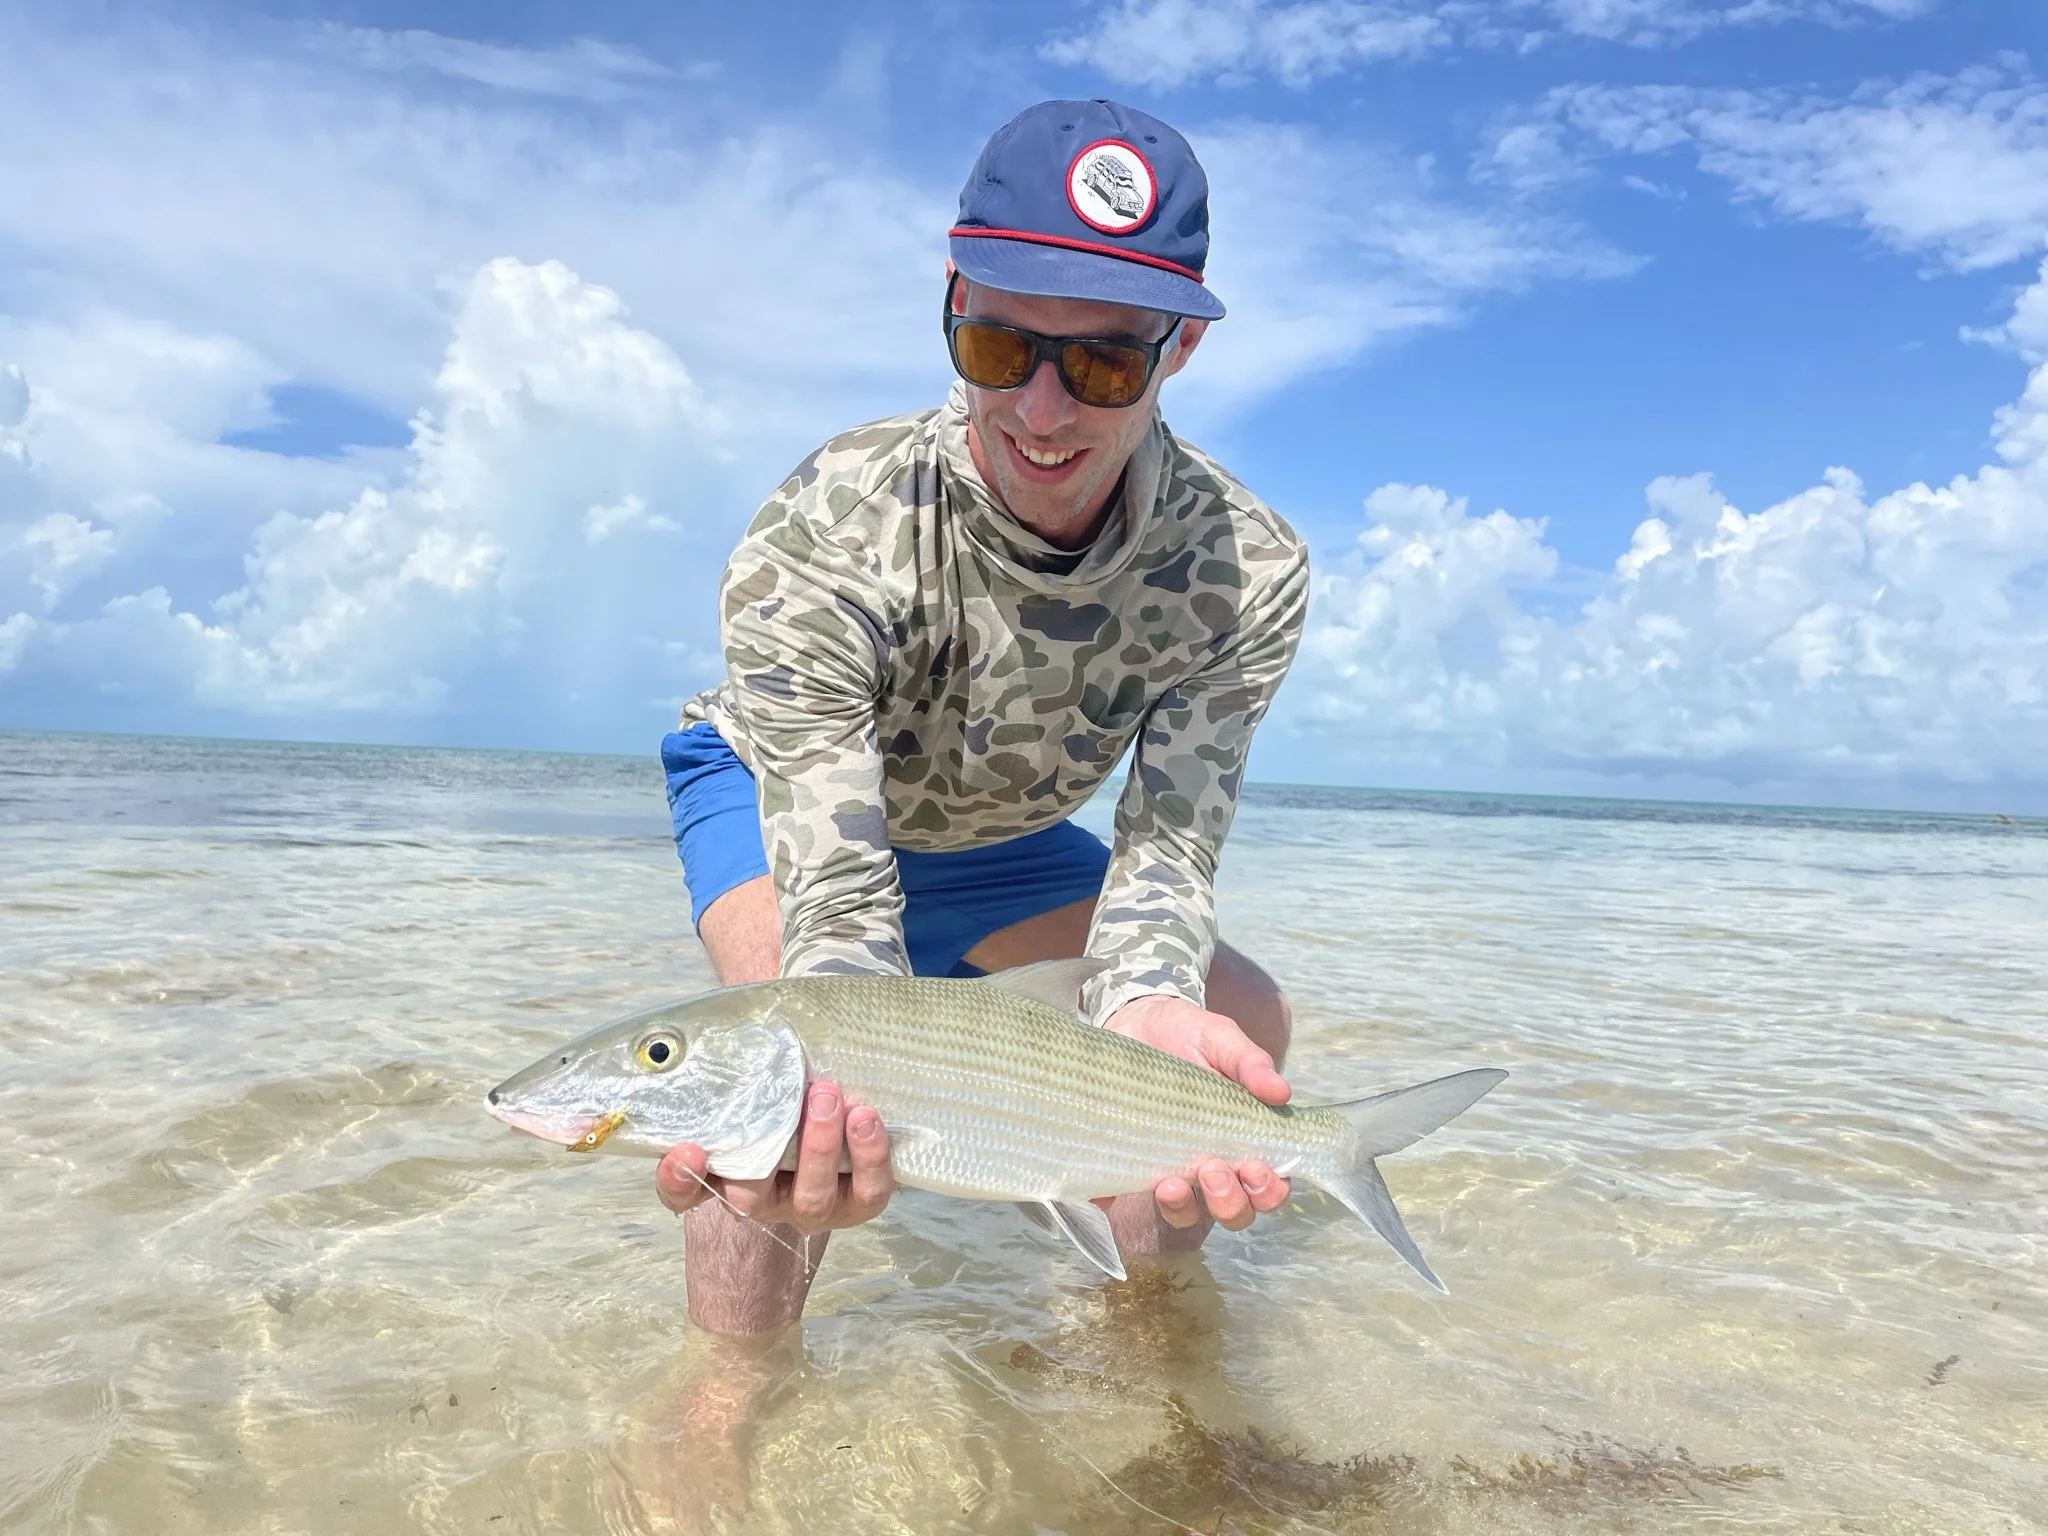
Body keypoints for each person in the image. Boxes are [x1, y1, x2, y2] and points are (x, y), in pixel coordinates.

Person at [655, 97, 1310, 1337]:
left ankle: (1126, 1342)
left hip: (998, 831)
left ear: (1177, 352)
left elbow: (1165, 850)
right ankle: (724, 1407)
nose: (1044, 414)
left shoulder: (1246, 570)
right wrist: (851, 1084)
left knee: (1230, 1021)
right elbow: (841, 919)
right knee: (779, 1086)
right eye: (1003, 351)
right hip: (778, 793)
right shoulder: (823, 531)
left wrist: (1140, 1007)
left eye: (1105, 362)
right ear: (952, 301)